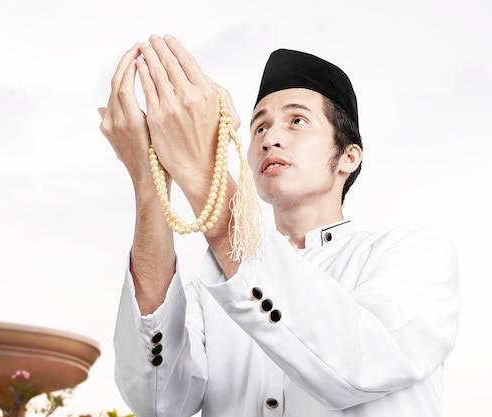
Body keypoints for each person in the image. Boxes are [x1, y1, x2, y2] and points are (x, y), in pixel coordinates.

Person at [97, 34, 461, 417]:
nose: (270, 138)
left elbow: (360, 363)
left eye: (297, 120)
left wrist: (203, 169)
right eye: (258, 128)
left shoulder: (415, 254)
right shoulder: (210, 293)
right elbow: (156, 401)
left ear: (348, 157)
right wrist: (149, 178)